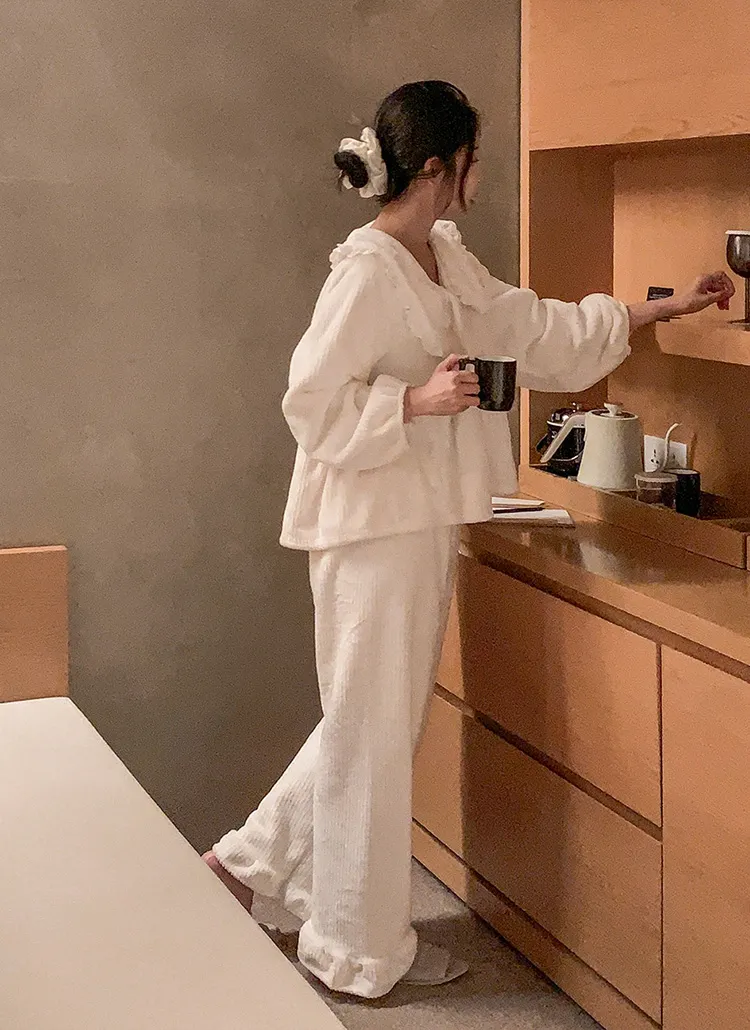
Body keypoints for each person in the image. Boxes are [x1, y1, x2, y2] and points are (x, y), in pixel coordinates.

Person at [203, 81, 734, 999]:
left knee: (372, 722)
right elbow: (309, 401)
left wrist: (658, 311)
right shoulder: (367, 272)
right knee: (373, 730)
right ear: (440, 166)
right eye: (474, 159)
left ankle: (248, 868)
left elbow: (529, 326)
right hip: (368, 528)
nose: (479, 175)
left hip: (412, 520)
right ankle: (353, 951)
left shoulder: (442, 256)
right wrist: (415, 401)